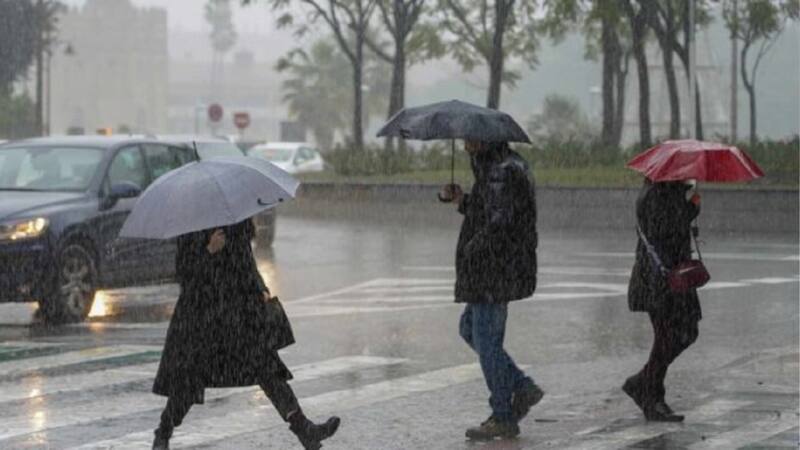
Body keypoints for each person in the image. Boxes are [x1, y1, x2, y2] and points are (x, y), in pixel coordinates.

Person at [151, 219, 340, 450]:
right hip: (202, 319)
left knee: (267, 369)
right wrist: (209, 251)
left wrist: (260, 287)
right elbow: (185, 275)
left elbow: (246, 261)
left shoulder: (235, 219)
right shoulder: (193, 223)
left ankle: (305, 430)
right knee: (189, 381)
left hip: (238, 315)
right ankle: (163, 433)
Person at [440, 140, 544, 440]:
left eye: (468, 139)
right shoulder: (498, 168)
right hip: (495, 268)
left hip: (493, 269)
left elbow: (499, 222)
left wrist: (475, 247)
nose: (462, 145)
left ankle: (502, 414)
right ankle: (520, 386)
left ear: (483, 139)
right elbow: (490, 210)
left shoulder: (501, 171)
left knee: (486, 339)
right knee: (470, 328)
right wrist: (462, 200)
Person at [623, 179, 702, 422]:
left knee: (684, 332)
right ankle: (650, 393)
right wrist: (690, 209)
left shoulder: (666, 192)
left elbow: (671, 229)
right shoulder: (656, 195)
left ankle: (645, 385)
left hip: (672, 275)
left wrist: (688, 209)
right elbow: (663, 231)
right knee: (669, 335)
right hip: (660, 277)